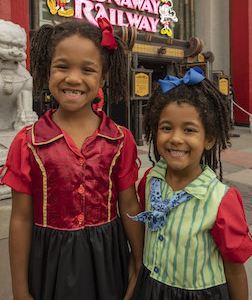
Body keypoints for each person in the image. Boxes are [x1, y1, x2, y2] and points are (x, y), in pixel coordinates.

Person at [1, 18, 143, 300]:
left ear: (102, 78)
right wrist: (19, 288)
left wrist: (139, 264)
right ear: (47, 69)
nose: (74, 78)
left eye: (88, 70)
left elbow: (129, 205)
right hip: (49, 262)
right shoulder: (27, 141)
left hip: (108, 258)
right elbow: (20, 218)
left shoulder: (120, 140)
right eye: (63, 66)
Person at [129, 67, 252, 300]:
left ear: (209, 139)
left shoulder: (220, 200)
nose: (175, 138)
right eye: (166, 128)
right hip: (149, 288)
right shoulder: (149, 180)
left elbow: (235, 270)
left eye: (189, 130)